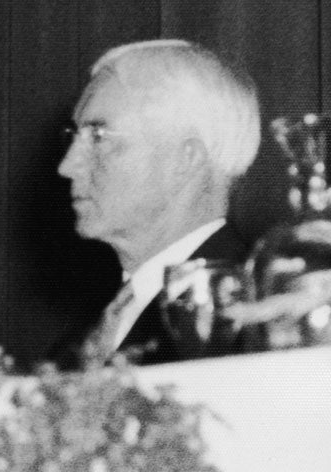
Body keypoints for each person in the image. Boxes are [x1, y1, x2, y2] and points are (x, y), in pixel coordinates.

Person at [53, 38, 259, 366]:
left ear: (185, 159)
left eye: (98, 137)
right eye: (73, 137)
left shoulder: (258, 322)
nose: (66, 166)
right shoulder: (78, 347)